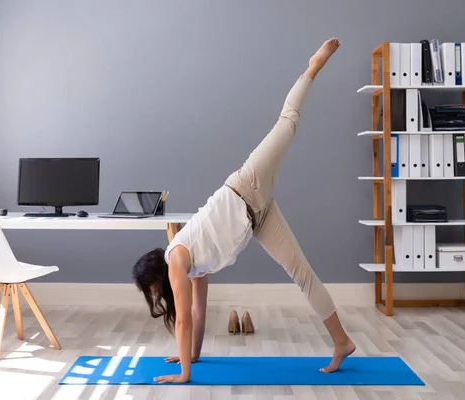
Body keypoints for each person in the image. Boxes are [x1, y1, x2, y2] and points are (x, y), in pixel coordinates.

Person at [132, 38, 355, 384]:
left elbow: (184, 321)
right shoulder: (191, 265)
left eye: (149, 289)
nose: (152, 295)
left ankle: (312, 66)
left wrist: (184, 375)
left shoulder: (176, 259)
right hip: (258, 217)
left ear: (155, 277)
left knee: (288, 123)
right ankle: (342, 341)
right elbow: (197, 312)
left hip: (246, 185)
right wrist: (192, 355)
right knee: (302, 273)